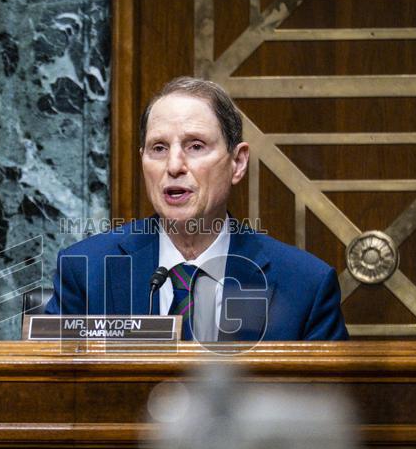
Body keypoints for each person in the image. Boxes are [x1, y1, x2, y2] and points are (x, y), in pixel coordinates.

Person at [45, 76, 348, 341]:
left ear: (237, 162)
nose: (174, 165)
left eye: (195, 146)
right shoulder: (86, 271)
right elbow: (49, 394)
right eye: (159, 148)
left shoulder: (305, 285)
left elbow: (324, 403)